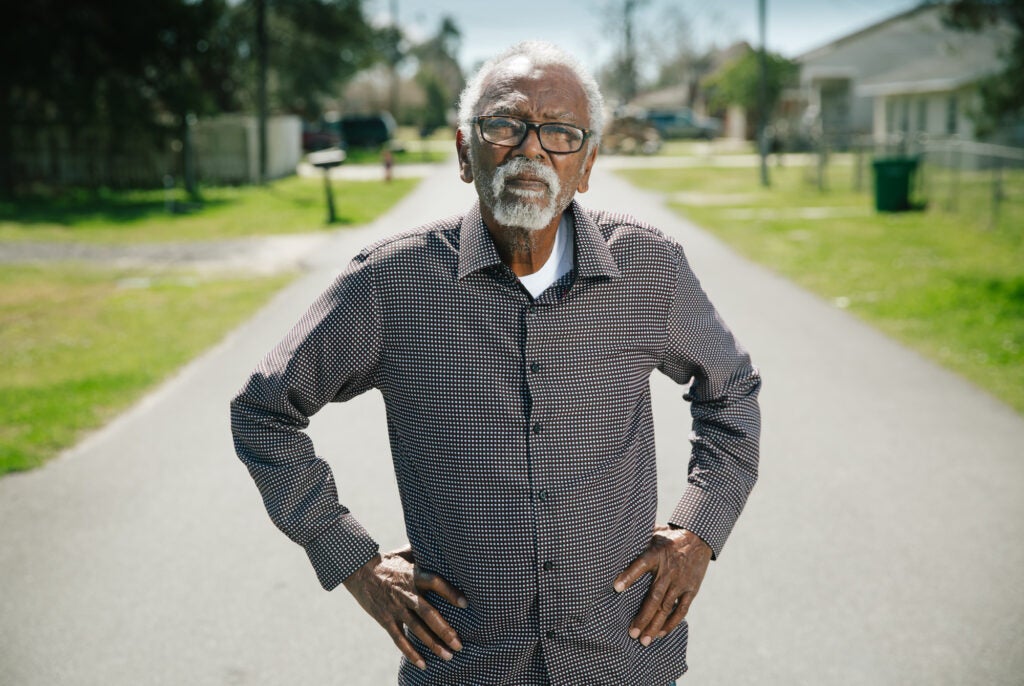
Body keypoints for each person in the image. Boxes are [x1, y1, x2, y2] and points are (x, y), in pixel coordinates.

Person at [231, 41, 761, 685]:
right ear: (464, 152)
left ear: (587, 165)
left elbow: (731, 394)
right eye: (505, 125)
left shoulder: (651, 269)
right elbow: (264, 412)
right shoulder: (389, 284)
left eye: (560, 133)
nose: (532, 149)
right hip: (463, 665)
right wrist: (355, 563)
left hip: (622, 659)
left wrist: (696, 533)